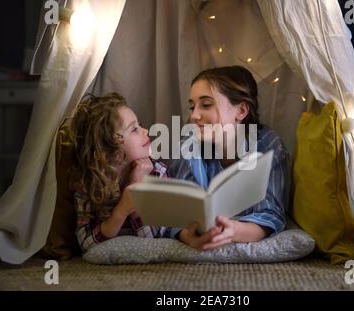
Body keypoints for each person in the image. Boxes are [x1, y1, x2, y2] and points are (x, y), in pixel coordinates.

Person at [170, 66, 290, 251]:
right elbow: (177, 212)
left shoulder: (268, 147)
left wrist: (232, 230)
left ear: (241, 110)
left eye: (206, 104)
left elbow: (270, 214)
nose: (194, 115)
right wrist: (189, 236)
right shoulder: (189, 144)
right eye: (192, 106)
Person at [69, 93, 179, 253]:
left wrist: (136, 190)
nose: (145, 130)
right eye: (134, 129)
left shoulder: (157, 173)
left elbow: (156, 241)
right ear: (109, 152)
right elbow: (86, 244)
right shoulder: (88, 182)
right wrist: (121, 211)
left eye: (139, 125)